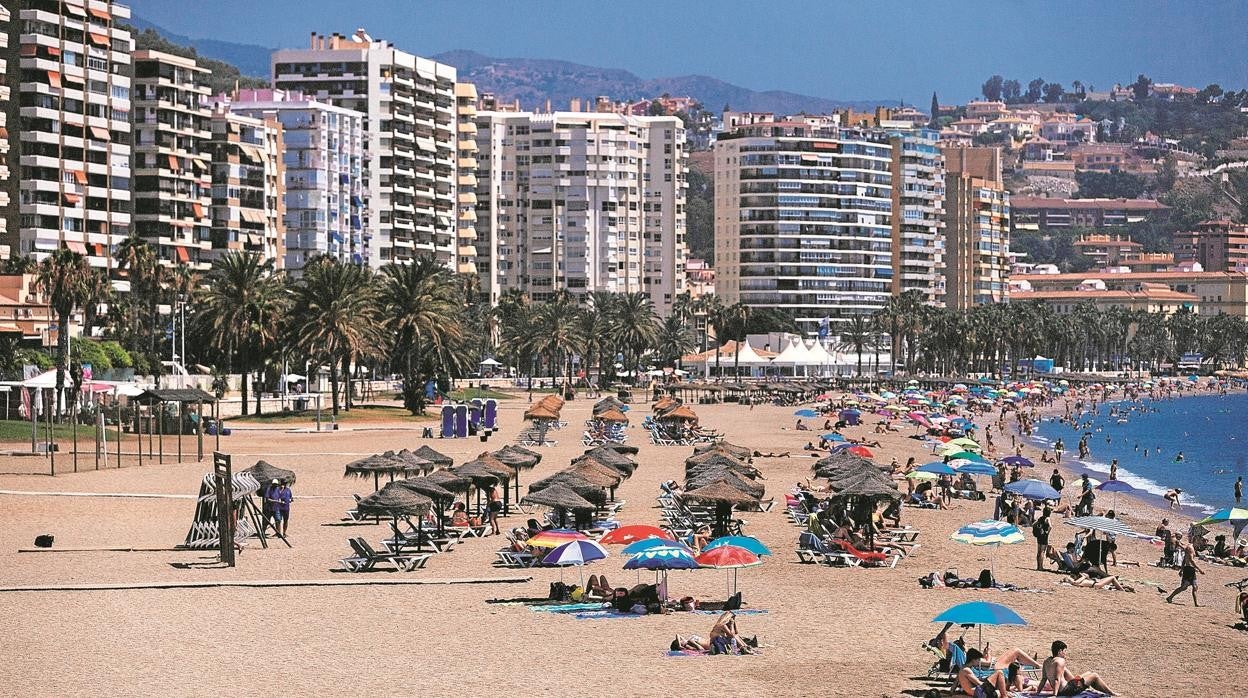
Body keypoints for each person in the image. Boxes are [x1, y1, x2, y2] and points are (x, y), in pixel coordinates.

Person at [1039, 640, 1115, 696]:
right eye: (1064, 651)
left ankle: (1081, 684)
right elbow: (1056, 679)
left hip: (1064, 688)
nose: (1065, 654)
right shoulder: (1060, 661)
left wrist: (1037, 692)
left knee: (1088, 673)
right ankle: (1110, 693)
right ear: (1060, 651)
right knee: (1094, 675)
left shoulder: (1046, 661)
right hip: (1067, 690)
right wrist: (1054, 695)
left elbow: (1043, 679)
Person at [1165, 533, 1203, 606]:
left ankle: (1196, 604)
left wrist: (1181, 569)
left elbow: (1184, 560)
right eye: (1199, 542)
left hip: (1190, 569)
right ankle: (1170, 597)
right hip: (1188, 569)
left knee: (1195, 586)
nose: (1200, 544)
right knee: (1183, 587)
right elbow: (1191, 560)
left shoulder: (1192, 548)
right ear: (1196, 541)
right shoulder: (1190, 548)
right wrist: (1199, 569)